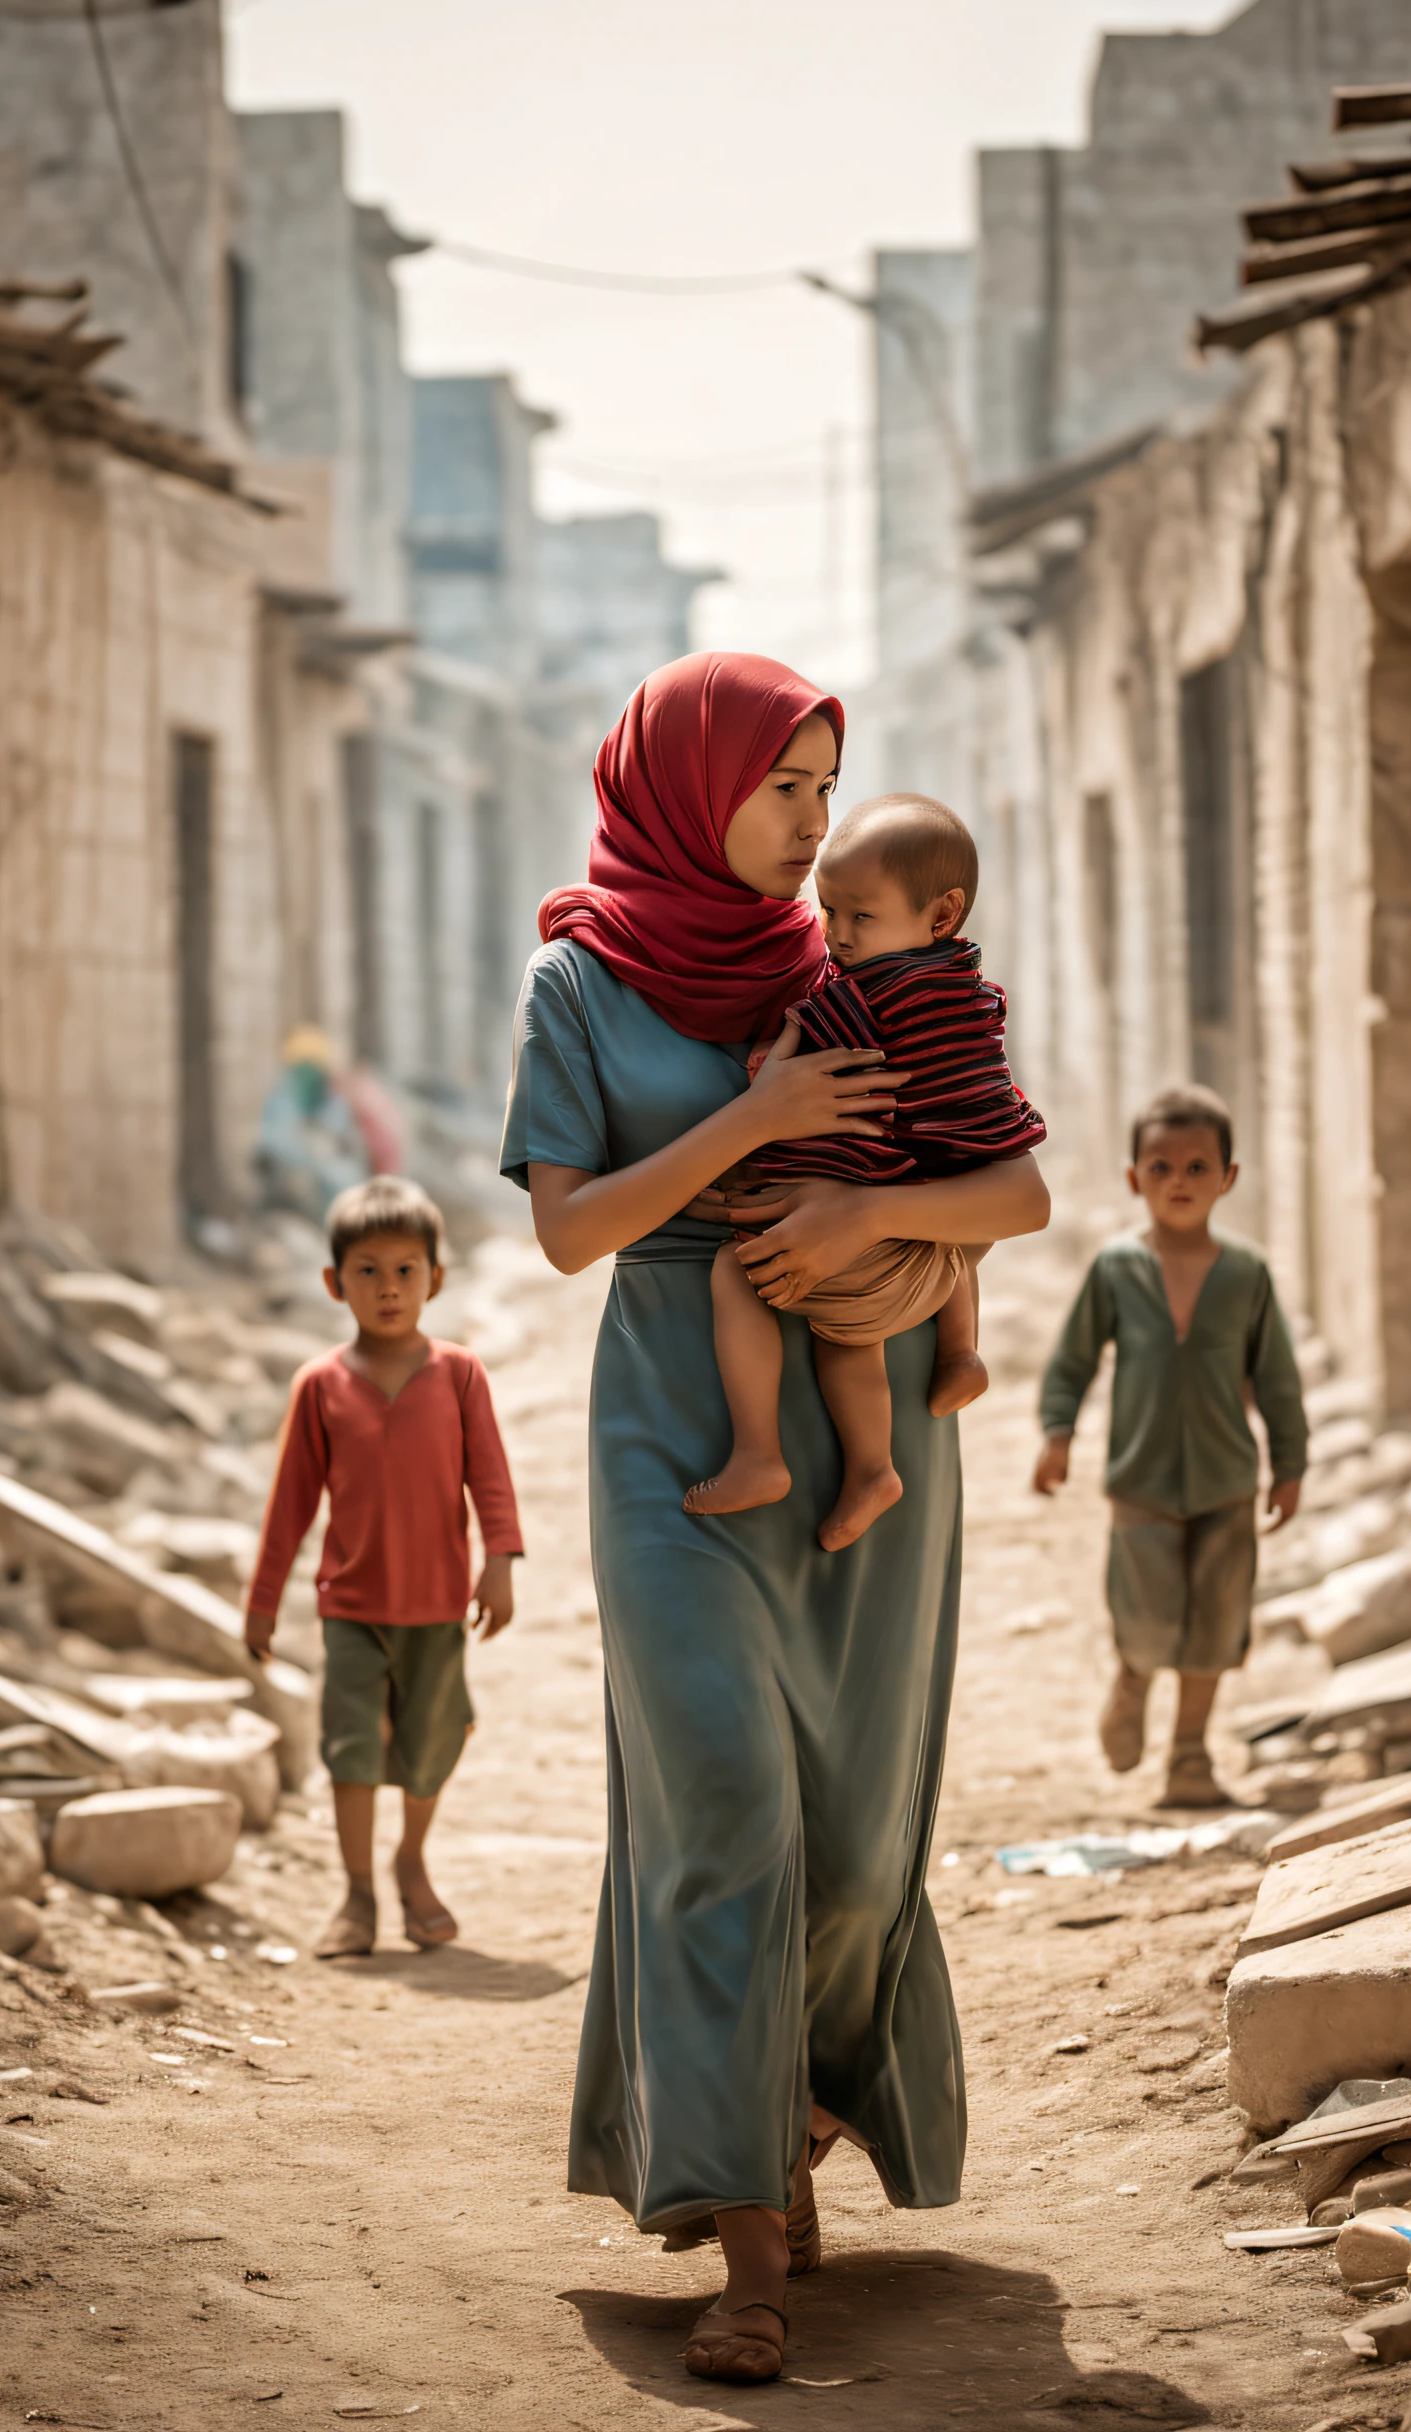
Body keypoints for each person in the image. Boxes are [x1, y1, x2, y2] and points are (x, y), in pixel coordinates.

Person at [502, 651, 1049, 2387]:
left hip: (860, 1410)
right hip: (677, 1421)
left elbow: (1007, 1179)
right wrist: (750, 1121)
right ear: (687, 783)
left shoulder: (860, 959)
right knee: (724, 1800)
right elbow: (570, 1234)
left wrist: (852, 1217)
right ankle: (746, 2252)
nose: (811, 829)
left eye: (828, 791)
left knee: (862, 1843)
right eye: (782, 789)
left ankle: (790, 2111)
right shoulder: (575, 981)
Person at [683, 792, 1045, 1551]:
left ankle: (762, 1453)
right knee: (951, 1205)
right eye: (829, 912)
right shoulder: (967, 990)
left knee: (750, 1283)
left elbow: (791, 1061)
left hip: (866, 1252)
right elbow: (984, 1152)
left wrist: (768, 1068)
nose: (838, 937)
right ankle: (957, 1355)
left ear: (940, 914)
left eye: (860, 917)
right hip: (931, 1232)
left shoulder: (872, 992)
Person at [244, 1176, 524, 1959]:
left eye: (406, 1270)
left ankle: (411, 1861)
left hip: (438, 1606)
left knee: (433, 1742)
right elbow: (290, 1506)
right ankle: (358, 1893)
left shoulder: (461, 1374)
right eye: (368, 1270)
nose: (389, 1287)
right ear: (336, 1283)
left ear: (436, 1278)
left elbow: (490, 1476)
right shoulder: (320, 1387)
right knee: (352, 1749)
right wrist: (263, 1602)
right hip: (352, 1607)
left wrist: (500, 1559)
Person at [1032, 1085, 1307, 1808]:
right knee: (1148, 1615)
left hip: (1224, 1479)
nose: (1178, 1182)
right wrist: (1057, 1432)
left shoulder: (1247, 1275)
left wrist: (1291, 1463)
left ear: (1228, 1178)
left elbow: (1276, 1377)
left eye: (1195, 1167)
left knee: (1215, 1624)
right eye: (1160, 1168)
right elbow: (1074, 1359)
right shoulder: (1117, 1269)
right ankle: (1132, 1679)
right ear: (1134, 1180)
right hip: (1140, 1480)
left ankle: (1190, 1758)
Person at [254, 1026, 370, 1223]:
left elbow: (339, 1138)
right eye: (302, 1068)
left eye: (311, 1067)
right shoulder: (283, 1096)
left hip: (330, 1180)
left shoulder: (331, 1098)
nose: (307, 1075)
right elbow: (274, 1141)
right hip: (289, 1181)